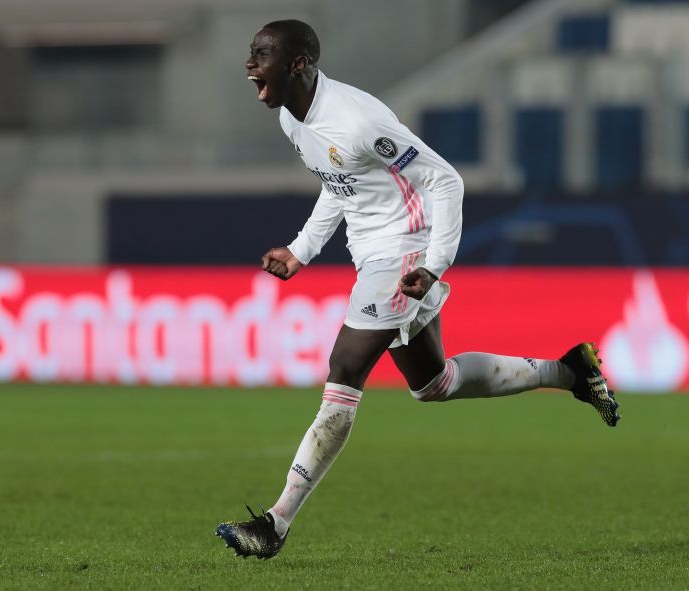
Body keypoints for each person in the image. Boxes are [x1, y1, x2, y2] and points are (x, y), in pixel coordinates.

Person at [215, 19, 619, 560]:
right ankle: (571, 371)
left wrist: (433, 265)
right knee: (433, 383)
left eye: (260, 54)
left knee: (345, 369)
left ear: (297, 64)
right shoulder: (293, 117)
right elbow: (340, 186)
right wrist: (301, 250)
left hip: (405, 252)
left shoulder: (358, 120)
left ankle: (275, 523)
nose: (249, 64)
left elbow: (444, 179)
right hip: (375, 257)